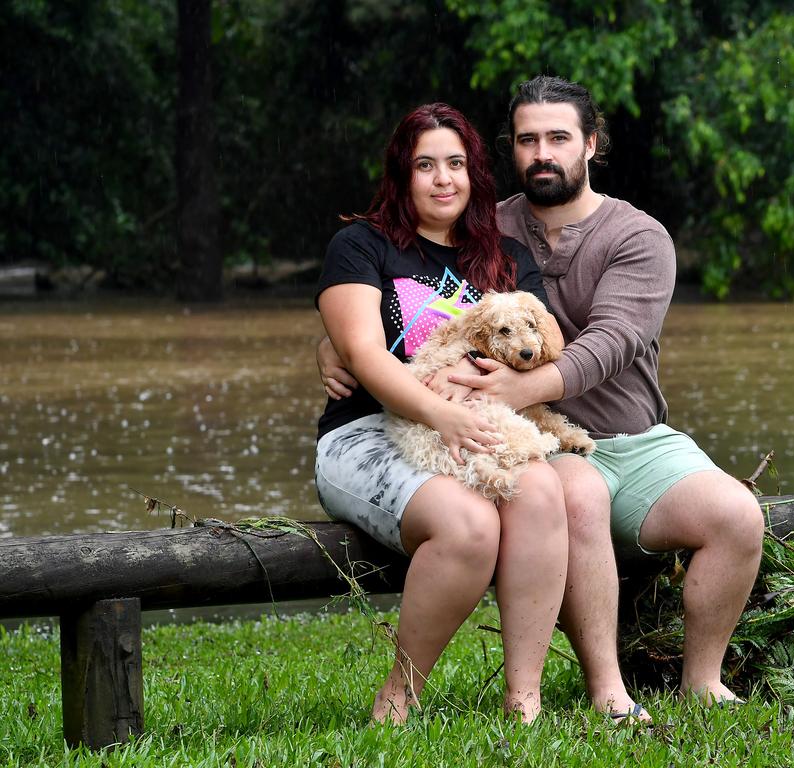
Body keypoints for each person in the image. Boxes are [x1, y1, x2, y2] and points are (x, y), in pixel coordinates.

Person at [320, 77, 764, 713]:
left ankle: (702, 680)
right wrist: (332, 347)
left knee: (739, 516)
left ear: (592, 144)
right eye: (528, 140)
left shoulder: (628, 238)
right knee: (567, 491)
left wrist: (511, 384)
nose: (542, 153)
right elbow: (376, 325)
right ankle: (606, 691)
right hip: (523, 436)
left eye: (558, 138)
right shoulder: (481, 225)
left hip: (617, 433)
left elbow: (611, 341)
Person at [314, 102, 568, 725]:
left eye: (455, 163)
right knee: (469, 526)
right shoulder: (360, 246)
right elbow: (365, 356)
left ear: (474, 174)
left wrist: (468, 392)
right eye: (425, 165)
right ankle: (399, 696)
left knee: (539, 491)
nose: (442, 178)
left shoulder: (507, 256)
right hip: (368, 432)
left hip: (485, 421)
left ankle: (523, 698)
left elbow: (538, 350)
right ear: (403, 174)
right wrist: (439, 408)